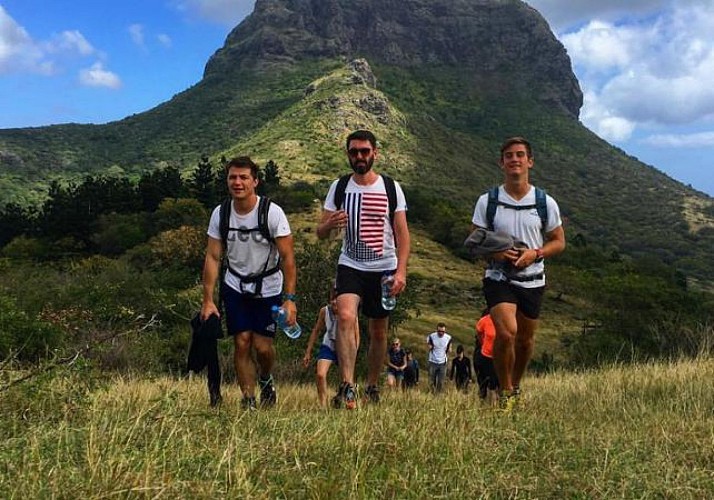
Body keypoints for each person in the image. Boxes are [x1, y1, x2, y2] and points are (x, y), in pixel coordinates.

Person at [316, 129, 411, 409]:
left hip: (384, 267)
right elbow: (321, 232)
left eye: (365, 151)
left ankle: (371, 384)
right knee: (345, 317)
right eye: (354, 151)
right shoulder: (340, 186)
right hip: (350, 264)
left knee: (379, 331)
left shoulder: (391, 188)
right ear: (348, 154)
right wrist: (329, 225)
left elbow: (403, 234)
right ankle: (347, 385)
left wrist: (401, 271)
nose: (359, 156)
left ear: (374, 154)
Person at [470, 137, 565, 410]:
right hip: (499, 277)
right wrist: (498, 254)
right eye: (509, 155)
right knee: (507, 332)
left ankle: (516, 384)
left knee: (525, 341)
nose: (515, 159)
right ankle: (505, 390)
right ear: (502, 163)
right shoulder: (487, 201)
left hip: (533, 278)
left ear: (530, 161)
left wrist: (535, 254)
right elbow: (474, 238)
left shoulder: (545, 202)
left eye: (520, 155)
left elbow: (559, 240)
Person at [201, 156, 298, 410]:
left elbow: (288, 258)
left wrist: (290, 300)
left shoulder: (272, 213)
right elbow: (212, 257)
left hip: (268, 288)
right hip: (235, 285)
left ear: (255, 181)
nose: (237, 182)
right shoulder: (220, 214)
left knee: (263, 347)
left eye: (244, 177)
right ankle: (249, 400)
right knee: (241, 341)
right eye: (233, 177)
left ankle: (266, 378)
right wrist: (208, 300)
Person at [302, 287, 359, 408]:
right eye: (332, 299)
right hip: (328, 344)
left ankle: (349, 401)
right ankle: (323, 405)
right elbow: (316, 330)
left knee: (347, 379)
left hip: (344, 347)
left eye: (337, 299)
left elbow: (356, 334)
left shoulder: (350, 312)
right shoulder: (325, 311)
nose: (334, 302)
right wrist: (308, 352)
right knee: (320, 374)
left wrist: (354, 352)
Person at [474, 310, 499, 402]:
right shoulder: (484, 321)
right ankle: (486, 400)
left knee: (498, 382)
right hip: (487, 356)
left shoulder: (504, 319)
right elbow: (479, 334)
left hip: (500, 356)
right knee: (488, 382)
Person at [426, 323, 452, 394]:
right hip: (433, 361)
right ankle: (431, 395)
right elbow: (428, 342)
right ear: (437, 330)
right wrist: (429, 346)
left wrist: (449, 349)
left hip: (443, 362)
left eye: (442, 331)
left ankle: (438, 396)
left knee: (441, 382)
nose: (441, 333)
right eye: (439, 331)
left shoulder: (448, 337)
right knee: (431, 381)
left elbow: (450, 345)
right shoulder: (432, 336)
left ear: (445, 331)